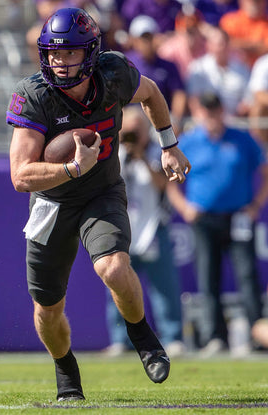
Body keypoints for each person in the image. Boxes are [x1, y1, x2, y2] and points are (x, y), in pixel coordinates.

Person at [6, 8, 190, 401]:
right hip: (51, 202)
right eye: (53, 52)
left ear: (89, 52)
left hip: (100, 192)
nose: (59, 61)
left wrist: (169, 144)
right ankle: (66, 369)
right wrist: (73, 168)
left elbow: (152, 94)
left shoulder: (113, 74)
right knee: (47, 309)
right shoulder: (33, 94)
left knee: (113, 267)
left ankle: (142, 336)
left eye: (69, 52)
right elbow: (21, 176)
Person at [166, 92, 268, 357]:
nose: (211, 116)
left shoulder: (242, 139)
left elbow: (265, 173)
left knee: (247, 275)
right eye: (206, 110)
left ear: (222, 110)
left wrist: (256, 205)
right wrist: (185, 208)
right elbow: (170, 183)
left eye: (215, 110)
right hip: (204, 218)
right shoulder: (188, 142)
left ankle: (258, 334)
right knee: (208, 276)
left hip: (239, 217)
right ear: (199, 112)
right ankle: (215, 336)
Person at [104, 105, 185, 358]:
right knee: (118, 284)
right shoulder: (112, 154)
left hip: (152, 226)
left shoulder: (156, 152)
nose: (131, 136)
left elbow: (163, 184)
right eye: (126, 131)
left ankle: (172, 336)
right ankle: (120, 339)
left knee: (163, 287)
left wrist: (140, 155)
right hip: (122, 228)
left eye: (135, 131)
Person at [187, 27, 251, 118]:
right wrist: (202, 119)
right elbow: (194, 99)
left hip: (236, 121)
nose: (222, 48)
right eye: (219, 44)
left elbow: (248, 98)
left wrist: (243, 108)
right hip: (206, 121)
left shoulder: (241, 68)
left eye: (225, 43)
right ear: (209, 45)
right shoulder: (198, 67)